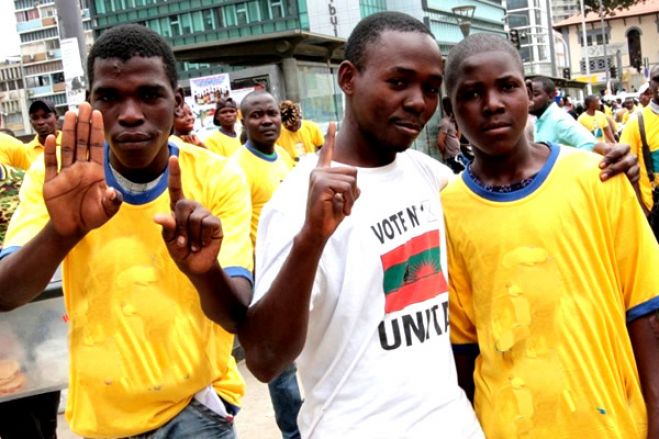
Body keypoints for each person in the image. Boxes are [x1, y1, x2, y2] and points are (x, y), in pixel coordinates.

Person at [236, 12, 484, 438]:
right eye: (398, 82)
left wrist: (598, 167)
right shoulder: (298, 201)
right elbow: (264, 360)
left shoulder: (425, 173)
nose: (418, 102)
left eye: (429, 88)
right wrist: (311, 240)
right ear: (348, 78)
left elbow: (501, 192)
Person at [0, 24, 253, 438]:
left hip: (191, 410)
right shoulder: (56, 178)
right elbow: (6, 294)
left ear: (177, 100)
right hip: (101, 421)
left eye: (150, 95)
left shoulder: (217, 177)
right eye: (110, 97)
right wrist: (64, 233)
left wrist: (201, 268)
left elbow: (234, 314)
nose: (131, 113)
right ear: (90, 105)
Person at [442, 33, 659, 438]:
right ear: (451, 112)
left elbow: (646, 308)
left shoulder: (597, 178)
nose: (492, 104)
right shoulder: (447, 208)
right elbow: (464, 346)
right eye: (472, 94)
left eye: (507, 86)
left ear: (528, 94)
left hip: (609, 423)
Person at [231, 90, 300, 439]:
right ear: (243, 121)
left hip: (297, 271)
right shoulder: (237, 168)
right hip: (264, 278)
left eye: (271, 113)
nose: (267, 121)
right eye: (257, 116)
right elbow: (236, 231)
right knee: (282, 368)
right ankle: (294, 433)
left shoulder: (285, 157)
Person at [620, 64, 659, 238]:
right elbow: (626, 170)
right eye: (658, 80)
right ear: (650, 84)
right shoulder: (636, 122)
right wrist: (641, 210)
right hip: (654, 210)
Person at [530, 77, 597, 150]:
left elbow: (590, 144)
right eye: (527, 94)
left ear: (550, 96)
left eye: (535, 94)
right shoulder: (538, 119)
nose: (529, 99)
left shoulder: (558, 119)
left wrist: (568, 161)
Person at [437, 96, 463, 173]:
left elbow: (457, 138)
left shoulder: (453, 121)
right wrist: (446, 154)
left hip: (457, 154)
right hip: (451, 157)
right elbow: (440, 142)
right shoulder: (445, 122)